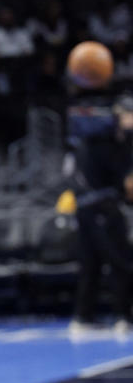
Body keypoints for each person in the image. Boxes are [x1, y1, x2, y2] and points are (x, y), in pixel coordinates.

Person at [66, 94, 133, 333]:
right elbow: (126, 184)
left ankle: (83, 318)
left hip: (85, 208)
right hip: (103, 206)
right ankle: (123, 317)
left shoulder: (89, 139)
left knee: (91, 265)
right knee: (120, 262)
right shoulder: (112, 142)